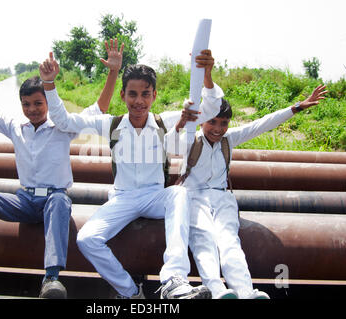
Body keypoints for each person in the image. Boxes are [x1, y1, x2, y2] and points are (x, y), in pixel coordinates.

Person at [0, 40, 124, 299]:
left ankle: (51, 279)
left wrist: (112, 72)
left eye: (38, 104)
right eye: (26, 104)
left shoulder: (63, 127)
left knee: (59, 200)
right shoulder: (16, 128)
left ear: (49, 103)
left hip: (54, 200)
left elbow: (100, 108)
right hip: (25, 200)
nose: (32, 110)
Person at [39, 48, 224, 299]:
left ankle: (173, 279)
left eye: (145, 94)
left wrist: (207, 77)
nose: (139, 101)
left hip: (154, 196)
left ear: (154, 95)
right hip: (123, 198)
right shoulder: (111, 124)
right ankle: (129, 291)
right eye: (133, 94)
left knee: (179, 194)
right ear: (122, 94)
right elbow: (64, 121)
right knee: (86, 239)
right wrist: (49, 84)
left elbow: (212, 109)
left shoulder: (166, 121)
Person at [170, 82, 328, 299]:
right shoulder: (190, 140)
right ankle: (217, 292)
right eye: (212, 122)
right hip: (193, 197)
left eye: (223, 123)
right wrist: (181, 122)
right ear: (202, 120)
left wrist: (297, 107)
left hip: (223, 198)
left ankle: (245, 292)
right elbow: (167, 143)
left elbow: (261, 124)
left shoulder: (229, 139)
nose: (217, 128)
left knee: (230, 243)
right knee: (203, 240)